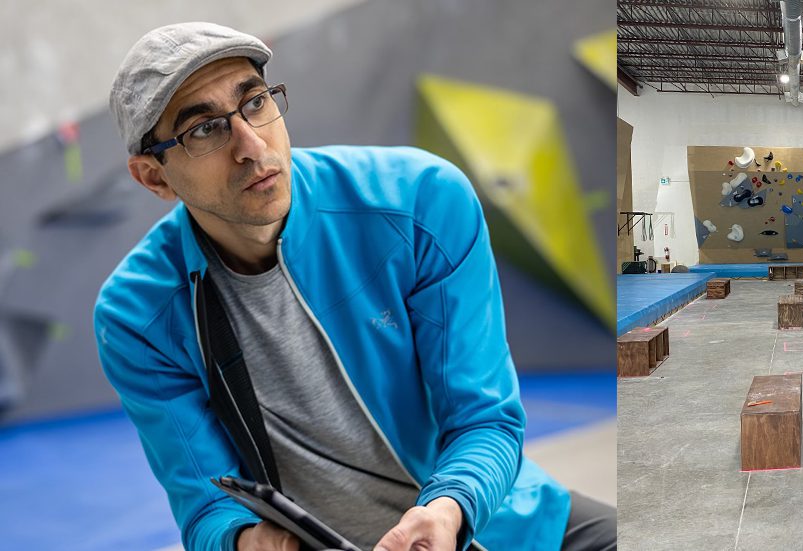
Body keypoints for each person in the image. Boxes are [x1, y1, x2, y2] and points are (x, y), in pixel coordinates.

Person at [95, 22, 615, 551]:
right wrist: (249, 543)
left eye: (254, 102)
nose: (251, 146)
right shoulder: (137, 315)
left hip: (498, 520)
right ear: (154, 177)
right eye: (203, 129)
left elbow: (485, 418)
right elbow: (206, 506)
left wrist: (446, 509)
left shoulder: (420, 202)